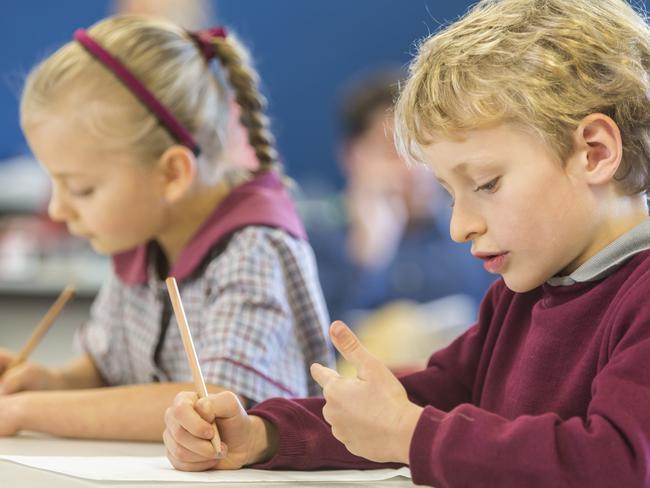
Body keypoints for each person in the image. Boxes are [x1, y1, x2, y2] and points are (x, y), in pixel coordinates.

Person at [161, 0, 650, 486]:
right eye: (447, 193)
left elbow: (616, 462)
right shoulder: (522, 294)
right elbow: (434, 397)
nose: (460, 227)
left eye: (486, 183)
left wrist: (408, 433)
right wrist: (264, 433)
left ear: (594, 152)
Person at [0, 15, 333, 441]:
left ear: (172, 173)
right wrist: (48, 383)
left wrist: (28, 411)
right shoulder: (142, 236)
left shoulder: (254, 249)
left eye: (80, 188)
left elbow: (214, 404)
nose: (57, 209)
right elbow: (110, 372)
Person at [307, 69, 494, 323]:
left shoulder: (473, 231)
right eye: (393, 152)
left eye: (420, 150)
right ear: (351, 157)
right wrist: (369, 257)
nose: (414, 169)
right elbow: (319, 339)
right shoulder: (318, 242)